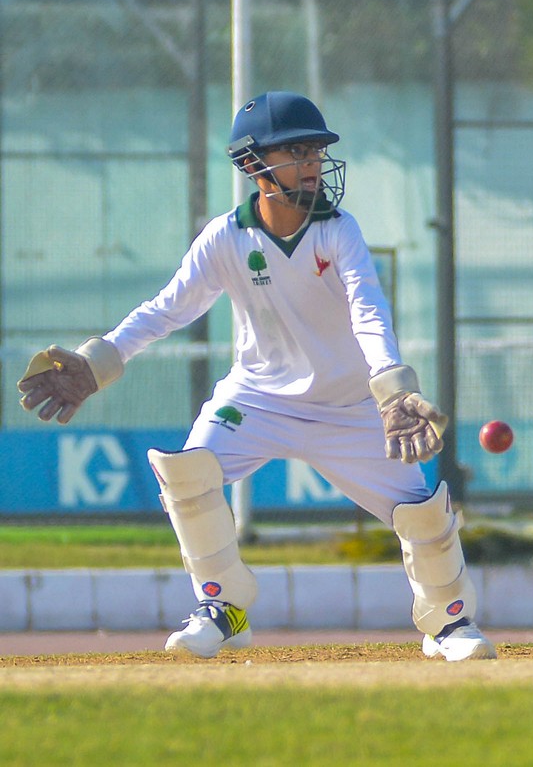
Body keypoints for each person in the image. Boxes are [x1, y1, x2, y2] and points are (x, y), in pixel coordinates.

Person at [16, 91, 495, 662]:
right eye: (297, 152)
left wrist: (392, 388)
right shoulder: (225, 237)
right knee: (187, 475)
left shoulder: (338, 231)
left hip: (349, 408)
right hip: (257, 400)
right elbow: (167, 309)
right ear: (253, 164)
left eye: (316, 152)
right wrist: (101, 361)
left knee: (422, 513)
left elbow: (368, 310)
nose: (313, 165)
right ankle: (223, 610)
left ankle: (448, 623)